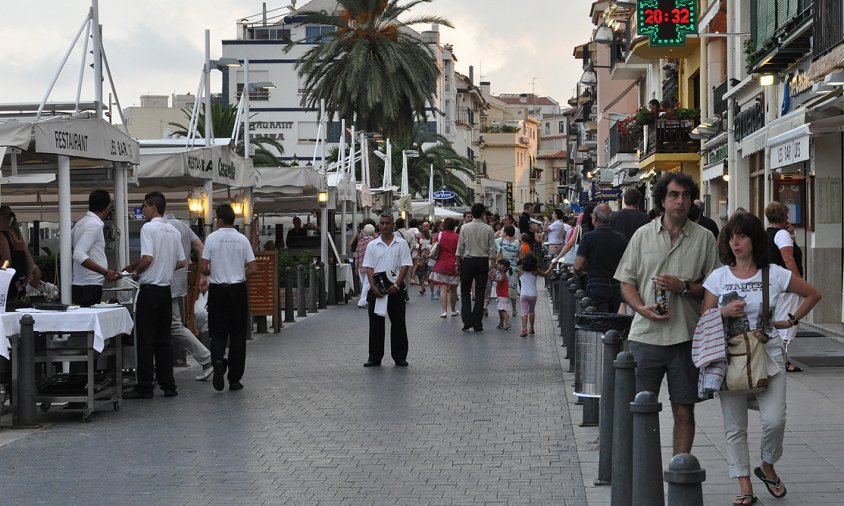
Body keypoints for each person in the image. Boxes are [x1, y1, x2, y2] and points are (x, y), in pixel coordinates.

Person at [701, 212, 821, 505]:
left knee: (774, 419)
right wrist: (722, 313)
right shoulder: (718, 277)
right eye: (731, 236)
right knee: (734, 426)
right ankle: (744, 486)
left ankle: (767, 465)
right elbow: (704, 318)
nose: (736, 242)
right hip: (730, 358)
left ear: (755, 239)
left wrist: (791, 320)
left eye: (742, 235)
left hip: (769, 354)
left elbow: (813, 294)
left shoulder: (774, 273)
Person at [613, 172, 719, 455]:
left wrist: (683, 287)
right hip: (645, 337)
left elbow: (714, 288)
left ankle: (679, 471)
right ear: (662, 200)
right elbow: (627, 281)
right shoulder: (642, 236)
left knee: (684, 412)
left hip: (686, 338)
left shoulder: (705, 238)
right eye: (673, 195)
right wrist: (639, 307)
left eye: (685, 195)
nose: (680, 201)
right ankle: (641, 474)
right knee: (639, 408)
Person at [122, 192, 186, 399]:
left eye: (144, 207)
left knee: (146, 339)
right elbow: (182, 262)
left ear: (152, 207)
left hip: (149, 290)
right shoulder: (173, 230)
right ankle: (169, 385)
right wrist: (164, 266)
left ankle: (145, 385)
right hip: (166, 291)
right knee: (164, 339)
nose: (143, 211)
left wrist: (135, 271)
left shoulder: (148, 228)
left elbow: (147, 258)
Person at [199, 205, 257, 391]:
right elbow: (253, 268)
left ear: (220, 220)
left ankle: (217, 360)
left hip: (217, 289)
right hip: (238, 289)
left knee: (217, 331)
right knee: (238, 334)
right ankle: (234, 379)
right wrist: (240, 272)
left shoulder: (211, 238)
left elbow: (203, 268)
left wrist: (212, 271)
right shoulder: (242, 240)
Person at [164, 213, 214, 382]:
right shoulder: (183, 226)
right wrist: (202, 275)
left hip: (164, 283)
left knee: (175, 325)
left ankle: (206, 359)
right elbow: (200, 246)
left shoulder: (156, 227)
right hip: (179, 282)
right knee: (173, 325)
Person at [362, 214, 412, 368]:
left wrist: (397, 285)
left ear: (392, 225)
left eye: (387, 223)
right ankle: (374, 357)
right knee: (376, 324)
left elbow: (405, 265)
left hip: (395, 289)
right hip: (377, 288)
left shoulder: (401, 243)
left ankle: (400, 357)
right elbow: (369, 267)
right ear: (378, 225)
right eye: (382, 223)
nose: (384, 226)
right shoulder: (372, 245)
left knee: (398, 323)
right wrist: (373, 286)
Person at [765, 201, 804, 373]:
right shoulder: (781, 235)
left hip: (772, 283)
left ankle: (777, 358)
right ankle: (783, 360)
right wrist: (798, 281)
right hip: (786, 286)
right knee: (787, 322)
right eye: (786, 214)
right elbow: (788, 258)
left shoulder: (766, 233)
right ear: (783, 215)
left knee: (777, 319)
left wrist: (792, 235)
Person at [571, 203, 628, 313]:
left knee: (598, 321)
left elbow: (577, 266)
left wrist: (582, 275)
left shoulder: (588, 237)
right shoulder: (621, 238)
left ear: (595, 218)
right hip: (616, 285)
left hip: (596, 284)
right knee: (614, 322)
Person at [71, 191, 122, 307]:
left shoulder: (81, 223)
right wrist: (105, 272)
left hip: (82, 282)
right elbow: (78, 254)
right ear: (107, 207)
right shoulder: (95, 224)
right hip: (89, 284)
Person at [457, 203, 496, 332]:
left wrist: (458, 263)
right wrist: (493, 266)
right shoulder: (488, 229)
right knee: (480, 292)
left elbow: (460, 248)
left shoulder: (464, 228)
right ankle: (477, 322)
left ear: (472, 213)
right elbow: (492, 250)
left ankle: (467, 321)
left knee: (465, 291)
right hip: (482, 262)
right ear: (483, 214)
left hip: (468, 261)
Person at [429, 218, 460, 317]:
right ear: (454, 226)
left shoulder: (440, 235)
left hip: (441, 264)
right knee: (453, 289)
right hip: (454, 264)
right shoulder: (457, 237)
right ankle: (453, 310)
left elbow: (434, 247)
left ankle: (444, 311)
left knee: (443, 288)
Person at [518, 253, 549, 337]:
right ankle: (531, 328)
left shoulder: (520, 271)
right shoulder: (535, 272)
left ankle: (524, 329)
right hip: (533, 295)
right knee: (531, 311)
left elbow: (516, 266)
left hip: (523, 294)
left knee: (524, 312)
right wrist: (551, 267)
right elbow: (545, 274)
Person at [353, 220, 378, 308]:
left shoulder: (360, 242)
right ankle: (362, 302)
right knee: (367, 284)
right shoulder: (374, 242)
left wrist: (356, 268)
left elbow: (356, 255)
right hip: (369, 267)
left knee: (364, 284)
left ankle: (365, 300)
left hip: (360, 266)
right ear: (373, 232)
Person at [494, 258, 512, 330]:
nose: (498, 265)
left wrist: (494, 279)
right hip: (502, 295)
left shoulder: (503, 274)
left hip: (502, 295)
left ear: (504, 267)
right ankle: (501, 323)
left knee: (502, 309)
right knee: (500, 309)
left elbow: (500, 280)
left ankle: (507, 322)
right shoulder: (502, 274)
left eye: (500, 264)